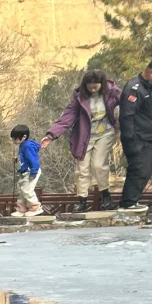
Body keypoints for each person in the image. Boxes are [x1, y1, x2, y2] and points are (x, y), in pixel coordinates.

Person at [41, 70, 121, 209]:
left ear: (102, 84)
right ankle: (82, 201)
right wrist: (51, 135)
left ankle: (106, 198)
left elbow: (128, 105)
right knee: (82, 169)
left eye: (95, 87)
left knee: (98, 165)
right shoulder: (80, 97)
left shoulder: (113, 92)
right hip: (85, 134)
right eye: (90, 87)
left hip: (106, 133)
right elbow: (67, 117)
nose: (93, 89)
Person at [119, 58, 152, 209]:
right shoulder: (134, 88)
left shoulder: (151, 88)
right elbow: (127, 116)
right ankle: (128, 203)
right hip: (137, 139)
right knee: (138, 170)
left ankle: (132, 201)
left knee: (145, 171)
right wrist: (131, 140)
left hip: (148, 138)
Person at [11, 124, 44, 217]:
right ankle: (22, 208)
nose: (14, 141)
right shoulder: (22, 145)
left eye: (15, 139)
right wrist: (17, 160)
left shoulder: (28, 146)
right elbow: (24, 158)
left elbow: (34, 160)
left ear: (24, 137)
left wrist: (33, 173)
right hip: (25, 171)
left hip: (31, 171)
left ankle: (35, 207)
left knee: (27, 190)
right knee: (22, 190)